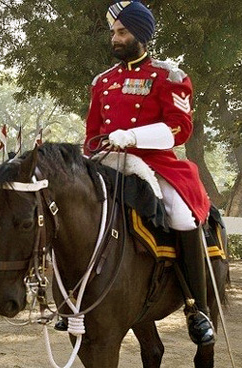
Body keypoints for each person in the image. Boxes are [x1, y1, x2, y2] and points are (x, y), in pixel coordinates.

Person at [84, 1, 213, 346]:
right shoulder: (102, 81)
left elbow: (180, 129)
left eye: (122, 32)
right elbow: (91, 135)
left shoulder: (168, 75)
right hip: (109, 163)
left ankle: (196, 308)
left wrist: (134, 137)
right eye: (113, 32)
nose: (115, 38)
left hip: (157, 164)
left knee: (183, 217)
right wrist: (93, 155)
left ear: (140, 34)